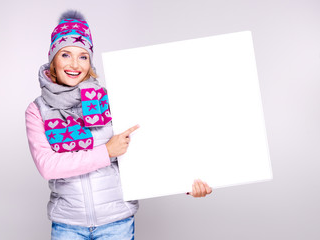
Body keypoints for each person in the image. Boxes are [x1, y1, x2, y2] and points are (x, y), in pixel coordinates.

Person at [25, 10, 212, 240]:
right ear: (53, 58)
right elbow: (48, 166)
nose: (75, 64)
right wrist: (106, 152)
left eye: (83, 56)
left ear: (90, 61)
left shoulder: (111, 99)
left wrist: (185, 183)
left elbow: (149, 146)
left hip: (117, 224)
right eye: (66, 54)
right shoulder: (37, 110)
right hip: (67, 226)